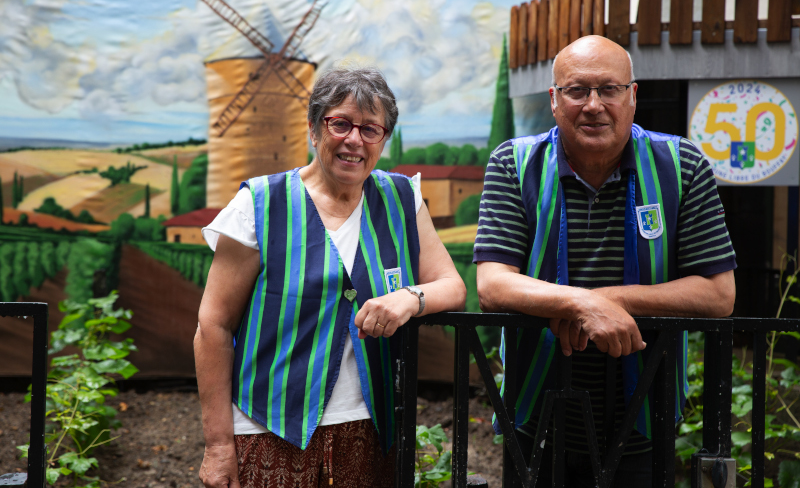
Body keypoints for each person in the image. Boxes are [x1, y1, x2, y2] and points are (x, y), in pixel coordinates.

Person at [474, 35, 736, 487]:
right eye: (577, 90)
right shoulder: (515, 164)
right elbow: (493, 283)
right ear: (554, 101)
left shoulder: (682, 164)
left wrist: (604, 300)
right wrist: (583, 305)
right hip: (536, 415)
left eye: (609, 89)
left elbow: (718, 293)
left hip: (642, 418)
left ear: (632, 97)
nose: (593, 105)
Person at [195, 66, 466, 488]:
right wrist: (217, 445)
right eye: (340, 123)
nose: (354, 139)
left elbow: (452, 286)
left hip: (372, 429)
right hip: (270, 428)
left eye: (371, 129)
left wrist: (410, 298)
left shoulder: (402, 199)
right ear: (313, 128)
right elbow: (213, 325)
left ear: (383, 140)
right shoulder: (259, 206)